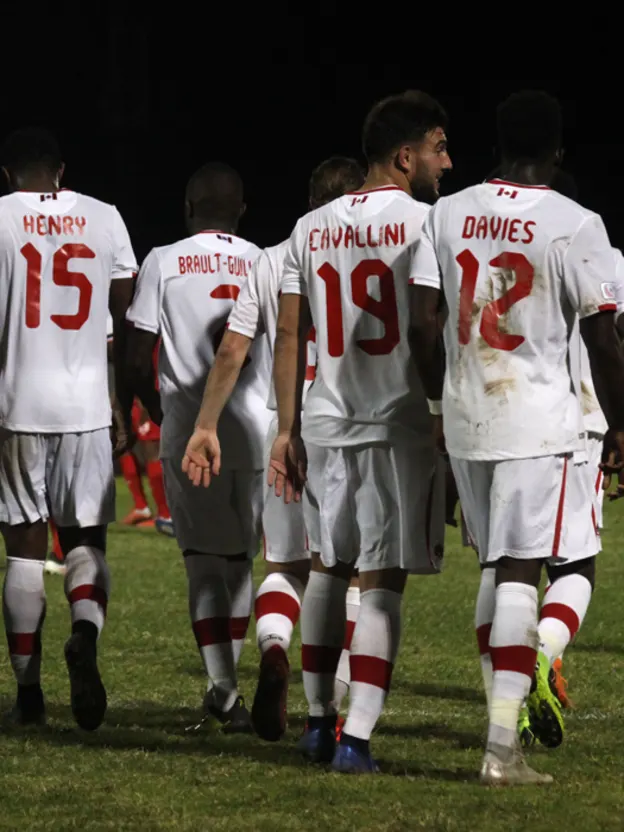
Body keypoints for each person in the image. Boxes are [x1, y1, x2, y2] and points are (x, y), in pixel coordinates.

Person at [409, 90, 624, 786]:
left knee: (500, 568)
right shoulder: (576, 222)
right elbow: (602, 337)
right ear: (557, 151)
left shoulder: (445, 212)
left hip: (470, 417)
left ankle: (504, 738)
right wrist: (621, 423)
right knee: (524, 575)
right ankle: (501, 751)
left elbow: (422, 321)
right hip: (541, 419)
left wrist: (441, 400)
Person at [266, 90, 452, 773]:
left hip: (324, 417)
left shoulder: (307, 228)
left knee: (324, 569)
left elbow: (291, 331)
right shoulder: (426, 224)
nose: (446, 161)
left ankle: (317, 724)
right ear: (405, 156)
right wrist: (439, 404)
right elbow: (427, 324)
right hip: (395, 419)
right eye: (438, 147)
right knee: (380, 583)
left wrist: (286, 429)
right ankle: (356, 739)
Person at [182, 156, 365, 743]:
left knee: (283, 566)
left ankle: (275, 647)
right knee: (351, 574)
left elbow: (233, 349)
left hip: (284, 425)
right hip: (352, 422)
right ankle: (332, 704)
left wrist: (205, 424)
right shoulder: (370, 248)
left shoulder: (271, 258)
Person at [0, 127, 137, 729]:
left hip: (17, 402)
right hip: (85, 407)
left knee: (25, 551)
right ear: (61, 169)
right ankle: (84, 631)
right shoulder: (105, 216)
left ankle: (29, 694)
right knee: (85, 540)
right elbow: (125, 319)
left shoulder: (0, 218)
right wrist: (122, 401)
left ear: (8, 175)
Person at [126, 162, 269, 732]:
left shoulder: (163, 259)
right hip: (257, 430)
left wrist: (165, 416)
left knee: (202, 565)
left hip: (193, 432)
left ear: (188, 207)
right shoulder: (265, 257)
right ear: (241, 210)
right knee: (239, 562)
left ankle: (226, 692)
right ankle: (227, 689)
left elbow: (137, 355)